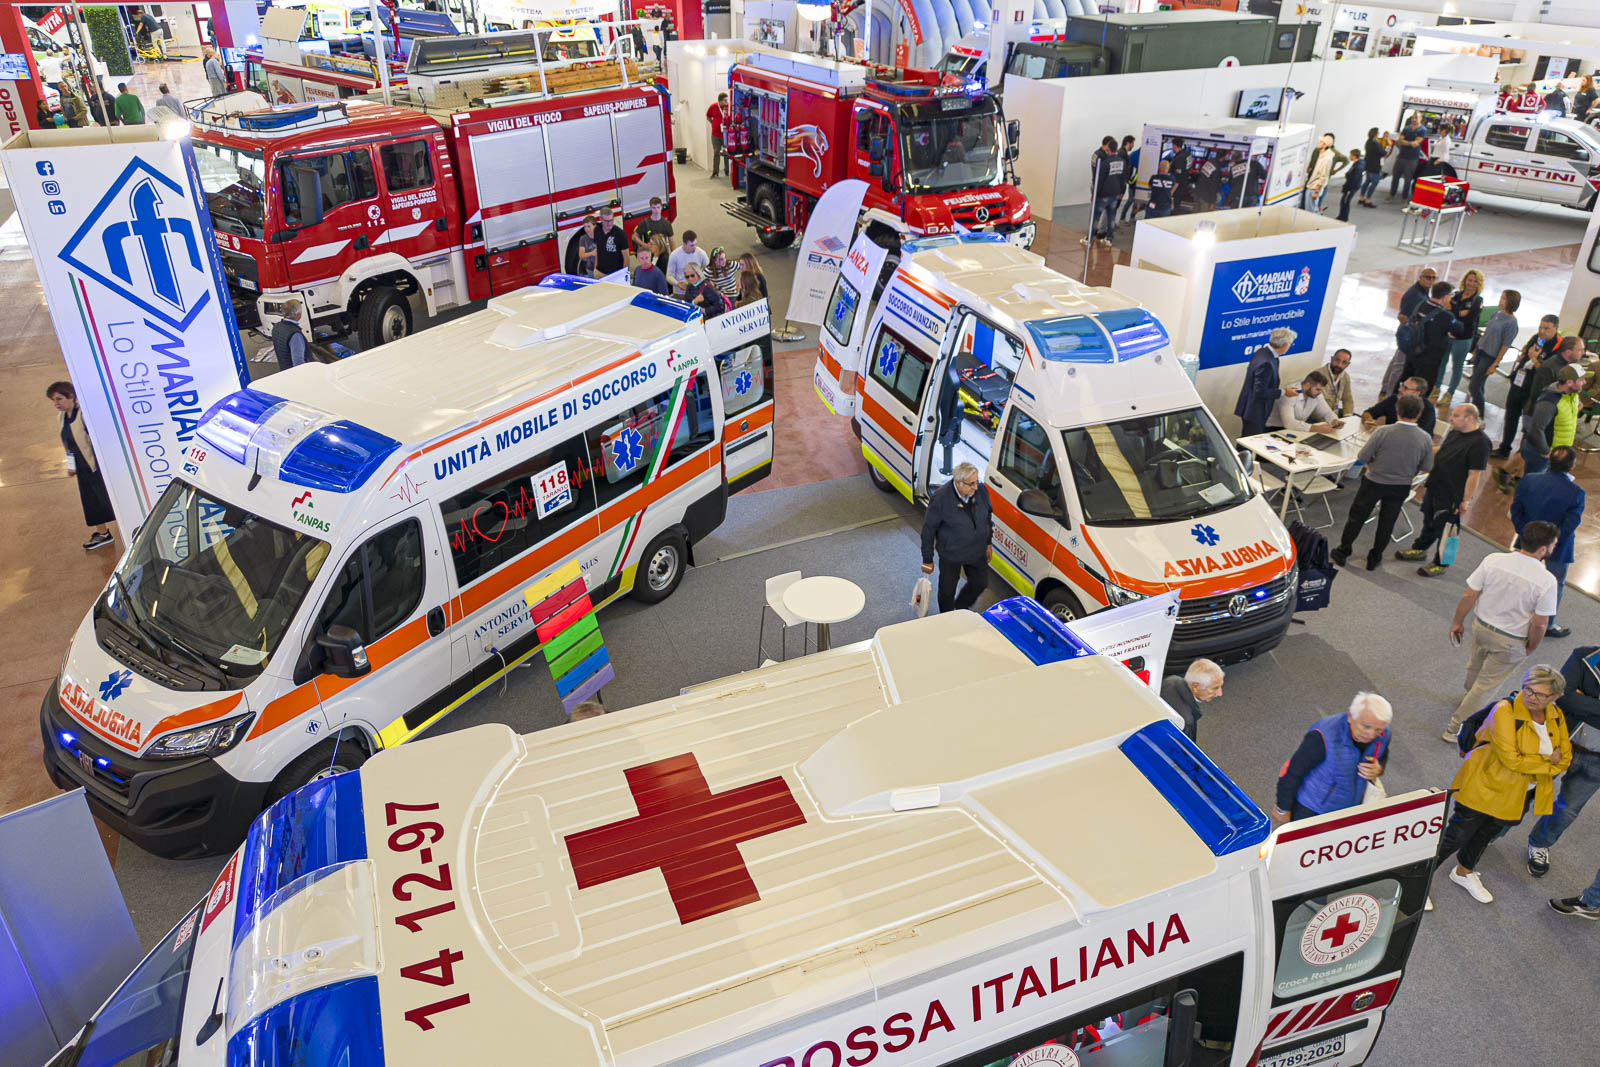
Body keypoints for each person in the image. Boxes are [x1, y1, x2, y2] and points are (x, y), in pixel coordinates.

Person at [1433, 665, 1570, 904]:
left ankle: (1463, 872)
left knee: (1486, 833)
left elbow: (1565, 757)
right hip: (1485, 784)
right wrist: (1549, 760)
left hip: (1519, 793)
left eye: (1540, 694)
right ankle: (1416, 884)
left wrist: (1532, 759)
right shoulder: (1505, 710)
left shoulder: (1555, 715)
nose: (1531, 696)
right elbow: (1511, 760)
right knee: (1456, 835)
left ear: (1554, 696)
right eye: (1528, 689)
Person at [1444, 520, 1560, 739]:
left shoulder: (1494, 560)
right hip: (1511, 640)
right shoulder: (1547, 581)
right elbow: (1540, 623)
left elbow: (1469, 594)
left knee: (1474, 669)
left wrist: (1457, 621)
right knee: (1485, 686)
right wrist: (1532, 647)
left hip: (1481, 627)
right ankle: (1456, 729)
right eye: (1554, 544)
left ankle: (1468, 701)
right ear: (1543, 549)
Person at [1331, 394, 1434, 570]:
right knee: (1387, 522)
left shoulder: (1383, 431)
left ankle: (1343, 551)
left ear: (1398, 410)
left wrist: (1374, 463)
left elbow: (1362, 457)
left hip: (1374, 481)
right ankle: (1374, 558)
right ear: (1419, 414)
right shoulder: (1425, 438)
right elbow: (1427, 466)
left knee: (1357, 518)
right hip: (1401, 486)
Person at [1528, 645, 1600, 878]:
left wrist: (1585, 700)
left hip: (1596, 759)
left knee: (1567, 809)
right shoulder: (1585, 656)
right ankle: (1492, 832)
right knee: (1526, 790)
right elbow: (1564, 697)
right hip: (1559, 743)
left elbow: (1575, 701)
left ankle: (1539, 844)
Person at [1272, 693, 1393, 825]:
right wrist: (1282, 808)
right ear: (1351, 717)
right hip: (1312, 810)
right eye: (1366, 726)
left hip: (1349, 810)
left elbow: (1382, 756)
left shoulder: (1384, 734)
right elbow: (1293, 772)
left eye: (1378, 729)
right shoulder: (1323, 736)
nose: (1371, 734)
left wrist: (1378, 768)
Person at [1401, 403, 1490, 576]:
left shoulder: (1481, 442)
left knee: (1449, 530)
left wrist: (1465, 500)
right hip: (1435, 486)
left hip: (1453, 495)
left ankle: (1442, 564)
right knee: (1429, 522)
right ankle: (1419, 549)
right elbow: (1443, 450)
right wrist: (1421, 452)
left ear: (1469, 418)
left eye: (1456, 415)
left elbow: (1474, 474)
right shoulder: (1455, 432)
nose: (1451, 419)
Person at [1511, 446, 1585, 638]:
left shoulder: (1529, 480)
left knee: (1521, 576)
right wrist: (1550, 543)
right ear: (1572, 465)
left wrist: (1526, 533)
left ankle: (1514, 612)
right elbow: (1570, 524)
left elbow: (1516, 509)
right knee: (1554, 584)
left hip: (1528, 540)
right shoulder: (1576, 492)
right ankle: (1547, 624)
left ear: (1550, 460)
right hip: (1558, 547)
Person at [47, 382, 115, 550]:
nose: (56, 403)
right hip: (83, 468)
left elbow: (101, 441)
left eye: (59, 399)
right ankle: (103, 534)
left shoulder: (84, 415)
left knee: (109, 499)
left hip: (97, 467)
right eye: (53, 400)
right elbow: (68, 443)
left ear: (71, 396)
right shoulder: (61, 417)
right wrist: (71, 466)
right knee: (92, 502)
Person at [920, 462, 992, 614]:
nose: (976, 487)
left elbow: (987, 516)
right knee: (947, 591)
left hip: (976, 550)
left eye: (977, 481)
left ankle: (960, 608)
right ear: (959, 483)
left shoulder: (981, 490)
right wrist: (927, 559)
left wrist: (988, 542)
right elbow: (928, 530)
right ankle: (947, 617)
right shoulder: (941, 498)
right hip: (951, 553)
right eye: (971, 484)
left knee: (980, 583)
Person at [1493, 314, 1561, 459]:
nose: (1542, 331)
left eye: (1546, 328)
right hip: (1519, 383)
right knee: (1511, 416)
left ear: (1556, 328)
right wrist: (1524, 356)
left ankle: (1521, 456)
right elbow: (1526, 353)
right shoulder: (1537, 338)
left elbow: (1547, 373)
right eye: (1540, 327)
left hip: (1533, 391)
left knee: (1528, 424)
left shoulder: (1557, 348)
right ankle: (1504, 448)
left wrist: (1534, 359)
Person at [1511, 364, 1585, 482]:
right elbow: (1535, 429)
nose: (1584, 382)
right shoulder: (1548, 402)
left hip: (1558, 451)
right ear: (1569, 382)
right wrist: (1545, 452)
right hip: (1543, 453)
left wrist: (1575, 406)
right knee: (1533, 484)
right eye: (1581, 380)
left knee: (1542, 484)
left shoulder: (1571, 395)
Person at [1378, 267, 1438, 398]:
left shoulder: (1422, 292)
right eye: (1428, 277)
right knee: (1399, 366)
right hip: (1408, 337)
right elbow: (1402, 316)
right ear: (1420, 277)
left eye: (1434, 278)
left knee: (1396, 362)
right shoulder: (1415, 295)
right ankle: (1390, 395)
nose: (1431, 280)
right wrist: (1411, 331)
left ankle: (1385, 387)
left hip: (1407, 335)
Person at [1233, 327, 1296, 438]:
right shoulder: (1266, 362)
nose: (1290, 346)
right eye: (1290, 344)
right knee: (1251, 441)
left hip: (1253, 409)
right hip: (1254, 411)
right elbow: (1260, 391)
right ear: (1284, 345)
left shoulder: (1263, 352)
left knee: (1247, 439)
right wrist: (1283, 392)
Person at [1467, 289, 1520, 417]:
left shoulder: (1511, 322)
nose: (1501, 301)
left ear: (1511, 302)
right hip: (1481, 350)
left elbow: (1506, 344)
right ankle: (1475, 411)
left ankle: (1480, 416)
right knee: (1478, 385)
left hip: (1490, 356)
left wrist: (1495, 363)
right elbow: (1487, 333)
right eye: (1501, 297)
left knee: (1473, 386)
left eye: (1504, 298)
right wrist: (1476, 350)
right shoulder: (1496, 313)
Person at [1399, 280, 1456, 395]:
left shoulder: (1420, 304)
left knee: (1405, 383)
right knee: (1422, 390)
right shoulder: (1446, 316)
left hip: (1413, 353)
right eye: (1451, 295)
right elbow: (1459, 329)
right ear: (1445, 297)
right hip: (1429, 361)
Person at [1438, 269, 1484, 404]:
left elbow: (1469, 319)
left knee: (1457, 367)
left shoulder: (1477, 300)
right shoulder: (1456, 295)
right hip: (1448, 335)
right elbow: (1446, 311)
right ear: (1464, 280)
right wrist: (1460, 313)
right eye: (1469, 280)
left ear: (1479, 284)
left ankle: (1450, 393)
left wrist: (1454, 311)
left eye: (1475, 281)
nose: (1471, 284)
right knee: (1441, 362)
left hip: (1463, 338)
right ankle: (1436, 386)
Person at [1159, 659, 1223, 741]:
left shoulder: (1172, 680)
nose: (1220, 693)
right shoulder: (1186, 722)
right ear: (1196, 686)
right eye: (1215, 688)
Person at [1268, 370, 1343, 432]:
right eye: (1318, 389)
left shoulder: (1316, 394)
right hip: (1274, 430)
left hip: (1297, 429)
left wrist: (1334, 421)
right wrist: (1317, 428)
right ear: (1307, 385)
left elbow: (1326, 412)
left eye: (1321, 390)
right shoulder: (1290, 392)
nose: (1320, 393)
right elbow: (1289, 423)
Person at [1362, 376, 1437, 437]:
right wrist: (1369, 423)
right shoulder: (1394, 399)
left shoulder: (1428, 410)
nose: (1399, 389)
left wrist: (1382, 431)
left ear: (1416, 393)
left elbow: (1413, 437)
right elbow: (1369, 413)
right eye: (1402, 385)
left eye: (1405, 388)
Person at [1086, 136, 1124, 246]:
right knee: (1110, 216)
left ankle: (1090, 237)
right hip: (1112, 192)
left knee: (1096, 216)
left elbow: (1098, 178)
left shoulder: (1101, 157)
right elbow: (1122, 178)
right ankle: (1108, 238)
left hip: (1103, 192)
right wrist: (1121, 192)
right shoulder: (1117, 161)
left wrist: (1095, 193)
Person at [1389, 113, 1425, 200]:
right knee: (1395, 177)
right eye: (1413, 117)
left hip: (1412, 159)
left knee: (1408, 180)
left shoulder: (1422, 130)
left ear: (1420, 118)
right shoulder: (1407, 128)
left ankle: (1404, 197)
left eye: (1416, 118)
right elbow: (1399, 141)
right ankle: (1392, 195)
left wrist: (1405, 142)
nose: (1414, 119)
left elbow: (1416, 143)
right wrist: (1410, 143)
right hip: (1401, 157)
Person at [666, 229, 708, 295]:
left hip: (697, 292)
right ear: (684, 244)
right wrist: (678, 284)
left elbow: (707, 271)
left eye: (695, 244)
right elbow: (669, 276)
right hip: (680, 293)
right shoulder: (674, 255)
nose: (695, 247)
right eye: (691, 245)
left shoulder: (702, 254)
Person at [271, 299, 310, 370]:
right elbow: (298, 363)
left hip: (284, 369)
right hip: (295, 373)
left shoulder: (276, 327)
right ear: (298, 314)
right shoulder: (295, 335)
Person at [1319, 348, 1354, 418]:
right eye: (1337, 360)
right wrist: (1331, 421)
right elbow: (1313, 406)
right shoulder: (1318, 375)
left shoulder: (1345, 376)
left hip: (1334, 414)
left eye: (1344, 362)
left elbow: (1348, 399)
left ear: (1348, 364)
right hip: (1320, 417)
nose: (1339, 365)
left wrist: (1348, 417)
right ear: (1332, 359)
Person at [594, 208, 626, 275]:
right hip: (599, 272)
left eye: (611, 220)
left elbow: (626, 258)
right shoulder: (597, 230)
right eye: (606, 221)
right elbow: (597, 250)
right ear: (601, 219)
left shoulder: (620, 234)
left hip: (615, 274)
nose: (609, 223)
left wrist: (624, 275)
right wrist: (595, 268)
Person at [1112, 134, 1137, 222]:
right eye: (1132, 143)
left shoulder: (1122, 153)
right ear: (1128, 143)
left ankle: (1111, 224)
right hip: (1119, 185)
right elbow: (1119, 170)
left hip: (1120, 184)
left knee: (1115, 205)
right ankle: (1109, 225)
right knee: (1114, 205)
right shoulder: (1122, 154)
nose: (1133, 146)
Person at [1359, 126, 1386, 207]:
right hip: (1375, 166)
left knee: (1367, 182)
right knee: (1374, 183)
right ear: (1376, 134)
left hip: (1368, 165)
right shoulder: (1375, 143)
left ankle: (1361, 198)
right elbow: (1383, 153)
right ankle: (1368, 200)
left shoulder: (1368, 142)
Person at [706, 91, 730, 178]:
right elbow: (708, 116)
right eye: (725, 100)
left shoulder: (728, 107)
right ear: (720, 100)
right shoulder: (713, 107)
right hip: (715, 135)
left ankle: (727, 170)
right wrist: (713, 123)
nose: (726, 101)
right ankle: (715, 172)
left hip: (725, 135)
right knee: (716, 152)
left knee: (727, 153)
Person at [1336, 148, 1364, 221]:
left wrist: (1346, 187)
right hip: (1350, 186)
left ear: (1354, 156)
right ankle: (1341, 216)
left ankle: (1344, 218)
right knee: (1344, 201)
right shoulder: (1357, 164)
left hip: (1351, 188)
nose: (1349, 156)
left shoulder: (1358, 166)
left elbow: (1353, 179)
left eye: (1350, 155)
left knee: (1345, 202)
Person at [1118, 135, 1141, 222]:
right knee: (1130, 200)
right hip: (1133, 183)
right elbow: (1127, 169)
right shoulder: (1133, 155)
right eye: (1133, 143)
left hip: (1141, 183)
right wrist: (1128, 180)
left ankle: (1132, 216)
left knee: (1137, 202)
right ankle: (1122, 217)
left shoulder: (1146, 156)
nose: (1133, 145)